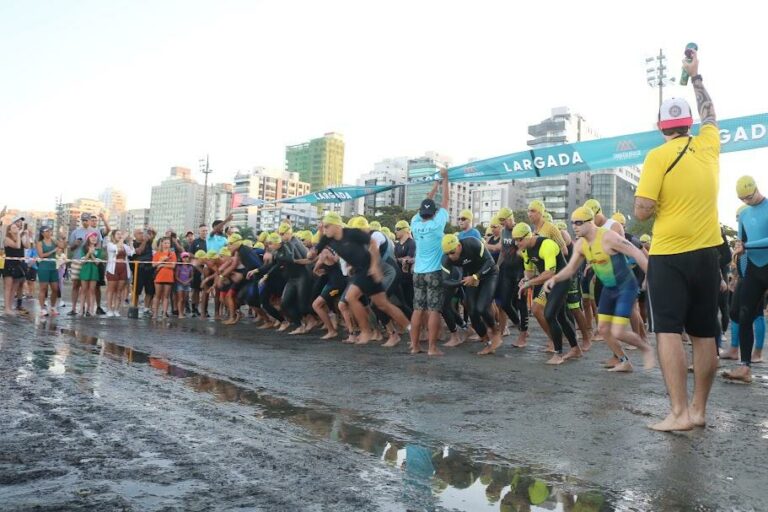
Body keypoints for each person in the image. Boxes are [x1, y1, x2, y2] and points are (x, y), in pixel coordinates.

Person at [634, 49, 721, 431]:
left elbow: (641, 210)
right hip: (707, 253)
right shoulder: (709, 145)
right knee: (705, 334)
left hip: (669, 254)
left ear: (660, 127)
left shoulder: (656, 156)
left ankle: (678, 413)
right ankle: (699, 411)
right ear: (689, 123)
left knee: (667, 330)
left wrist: (650, 204)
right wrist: (696, 76)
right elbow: (711, 114)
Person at [544, 207, 655, 372]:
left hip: (625, 287)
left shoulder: (608, 237)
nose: (574, 226)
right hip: (608, 289)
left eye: (579, 223)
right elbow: (571, 268)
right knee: (603, 329)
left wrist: (651, 279)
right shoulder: (581, 244)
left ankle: (646, 347)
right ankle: (625, 361)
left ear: (590, 222)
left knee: (617, 331)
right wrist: (554, 278)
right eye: (573, 223)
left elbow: (636, 253)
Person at [313, 212, 410, 345]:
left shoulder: (361, 234)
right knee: (380, 304)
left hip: (378, 271)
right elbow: (316, 250)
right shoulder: (331, 238)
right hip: (361, 272)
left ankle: (370, 332)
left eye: (327, 226)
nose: (325, 229)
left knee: (367, 302)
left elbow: (373, 245)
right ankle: (407, 328)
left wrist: (374, 266)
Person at [514, 222, 581, 365]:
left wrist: (529, 283)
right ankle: (575, 348)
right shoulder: (526, 250)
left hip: (562, 279)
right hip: (550, 282)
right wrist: (524, 280)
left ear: (529, 235)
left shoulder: (547, 245)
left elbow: (549, 272)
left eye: (520, 239)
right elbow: (530, 272)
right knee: (561, 316)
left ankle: (558, 353)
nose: (517, 243)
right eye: (515, 239)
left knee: (550, 314)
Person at [722, 176, 768, 383]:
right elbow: (741, 245)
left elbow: (747, 245)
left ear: (757, 189)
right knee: (743, 313)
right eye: (743, 199)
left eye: (749, 197)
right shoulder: (745, 215)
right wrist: (738, 273)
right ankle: (745, 367)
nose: (747, 202)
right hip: (754, 270)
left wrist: (746, 247)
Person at [410, 167, 450, 356]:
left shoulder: (414, 224)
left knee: (418, 309)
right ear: (434, 213)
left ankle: (415, 346)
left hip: (417, 272)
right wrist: (445, 179)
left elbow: (427, 202)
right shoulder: (437, 224)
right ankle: (432, 348)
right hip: (433, 272)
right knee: (434, 310)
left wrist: (435, 183)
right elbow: (445, 202)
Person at [441, 234, 503, 355]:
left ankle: (495, 332)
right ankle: (488, 343)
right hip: (470, 277)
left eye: (452, 252)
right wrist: (462, 282)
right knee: (472, 311)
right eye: (447, 253)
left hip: (488, 274)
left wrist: (476, 276)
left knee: (482, 308)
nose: (451, 256)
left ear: (459, 246)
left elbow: (490, 262)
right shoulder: (446, 258)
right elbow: (445, 281)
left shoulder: (472, 243)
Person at [105, 229, 135, 317]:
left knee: (119, 290)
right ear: (113, 236)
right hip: (113, 269)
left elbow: (131, 253)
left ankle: (116, 309)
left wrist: (130, 242)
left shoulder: (125, 246)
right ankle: (110, 309)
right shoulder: (110, 244)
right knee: (111, 290)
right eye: (118, 234)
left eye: (121, 234)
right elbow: (115, 249)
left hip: (124, 268)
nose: (120, 235)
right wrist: (122, 239)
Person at [3, 220, 28, 316]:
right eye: (13, 228)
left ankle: (10, 306)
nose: (16, 229)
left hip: (18, 264)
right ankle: (7, 308)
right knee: (8, 287)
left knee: (14, 287)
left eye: (16, 227)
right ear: (9, 231)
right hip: (9, 264)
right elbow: (17, 246)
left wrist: (25, 235)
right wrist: (19, 234)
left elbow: (27, 246)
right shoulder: (7, 239)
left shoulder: (19, 237)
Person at [36, 226, 60, 317]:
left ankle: (53, 307)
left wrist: (62, 238)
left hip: (53, 267)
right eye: (47, 231)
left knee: (55, 289)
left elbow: (62, 246)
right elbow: (41, 255)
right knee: (43, 288)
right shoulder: (40, 243)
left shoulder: (53, 241)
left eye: (50, 230)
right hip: (44, 267)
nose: (49, 232)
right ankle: (42, 309)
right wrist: (53, 250)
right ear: (42, 233)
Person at [79, 232, 104, 317]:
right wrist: (89, 253)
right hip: (85, 270)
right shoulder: (83, 248)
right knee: (83, 290)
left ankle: (91, 309)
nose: (94, 238)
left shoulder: (99, 250)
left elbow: (97, 263)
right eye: (92, 237)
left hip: (94, 271)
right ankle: (81, 309)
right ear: (88, 238)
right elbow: (82, 262)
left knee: (92, 290)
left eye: (95, 237)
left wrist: (92, 254)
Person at [131, 228, 156, 317]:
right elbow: (138, 251)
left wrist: (150, 230)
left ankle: (146, 309)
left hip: (149, 269)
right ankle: (135, 307)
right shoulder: (133, 243)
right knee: (137, 291)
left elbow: (154, 233)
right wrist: (144, 242)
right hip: (139, 269)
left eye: (142, 233)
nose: (142, 235)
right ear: (135, 235)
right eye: (139, 233)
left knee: (150, 290)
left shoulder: (148, 241)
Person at [394, 220, 416, 312]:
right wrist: (401, 260)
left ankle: (413, 323)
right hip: (399, 276)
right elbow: (397, 259)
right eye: (395, 229)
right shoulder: (397, 245)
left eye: (398, 229)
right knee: (401, 302)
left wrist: (400, 260)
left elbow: (408, 259)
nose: (395, 231)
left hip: (408, 277)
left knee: (409, 301)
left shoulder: (411, 243)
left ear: (405, 230)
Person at [152, 237, 177, 318]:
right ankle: (155, 313)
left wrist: (162, 265)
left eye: (168, 243)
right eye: (165, 243)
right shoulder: (157, 253)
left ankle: (164, 313)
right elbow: (153, 264)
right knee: (157, 296)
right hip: (159, 277)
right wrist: (161, 261)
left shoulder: (172, 254)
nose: (167, 245)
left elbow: (173, 266)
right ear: (162, 243)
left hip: (169, 277)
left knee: (166, 296)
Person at [189, 224, 208, 317]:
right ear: (199, 231)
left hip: (208, 268)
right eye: (203, 230)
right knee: (195, 290)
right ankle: (194, 309)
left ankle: (205, 310)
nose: (205, 232)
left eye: (206, 230)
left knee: (206, 290)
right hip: (197, 269)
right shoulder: (195, 242)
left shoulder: (209, 242)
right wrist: (197, 257)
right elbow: (190, 254)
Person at [175, 252, 194, 318]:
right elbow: (176, 276)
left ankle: (182, 312)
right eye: (184, 257)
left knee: (185, 299)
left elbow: (191, 276)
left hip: (187, 284)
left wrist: (187, 281)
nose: (185, 259)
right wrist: (182, 282)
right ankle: (180, 313)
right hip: (180, 284)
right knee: (180, 299)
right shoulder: (179, 266)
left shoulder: (190, 266)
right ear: (181, 258)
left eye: (187, 257)